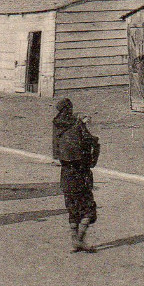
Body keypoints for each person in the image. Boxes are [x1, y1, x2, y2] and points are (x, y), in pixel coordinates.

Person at [53, 98, 100, 252]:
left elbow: (56, 152)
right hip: (80, 171)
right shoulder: (77, 124)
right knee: (88, 207)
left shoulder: (56, 125)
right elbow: (89, 142)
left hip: (65, 172)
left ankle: (75, 239)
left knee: (72, 206)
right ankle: (80, 239)